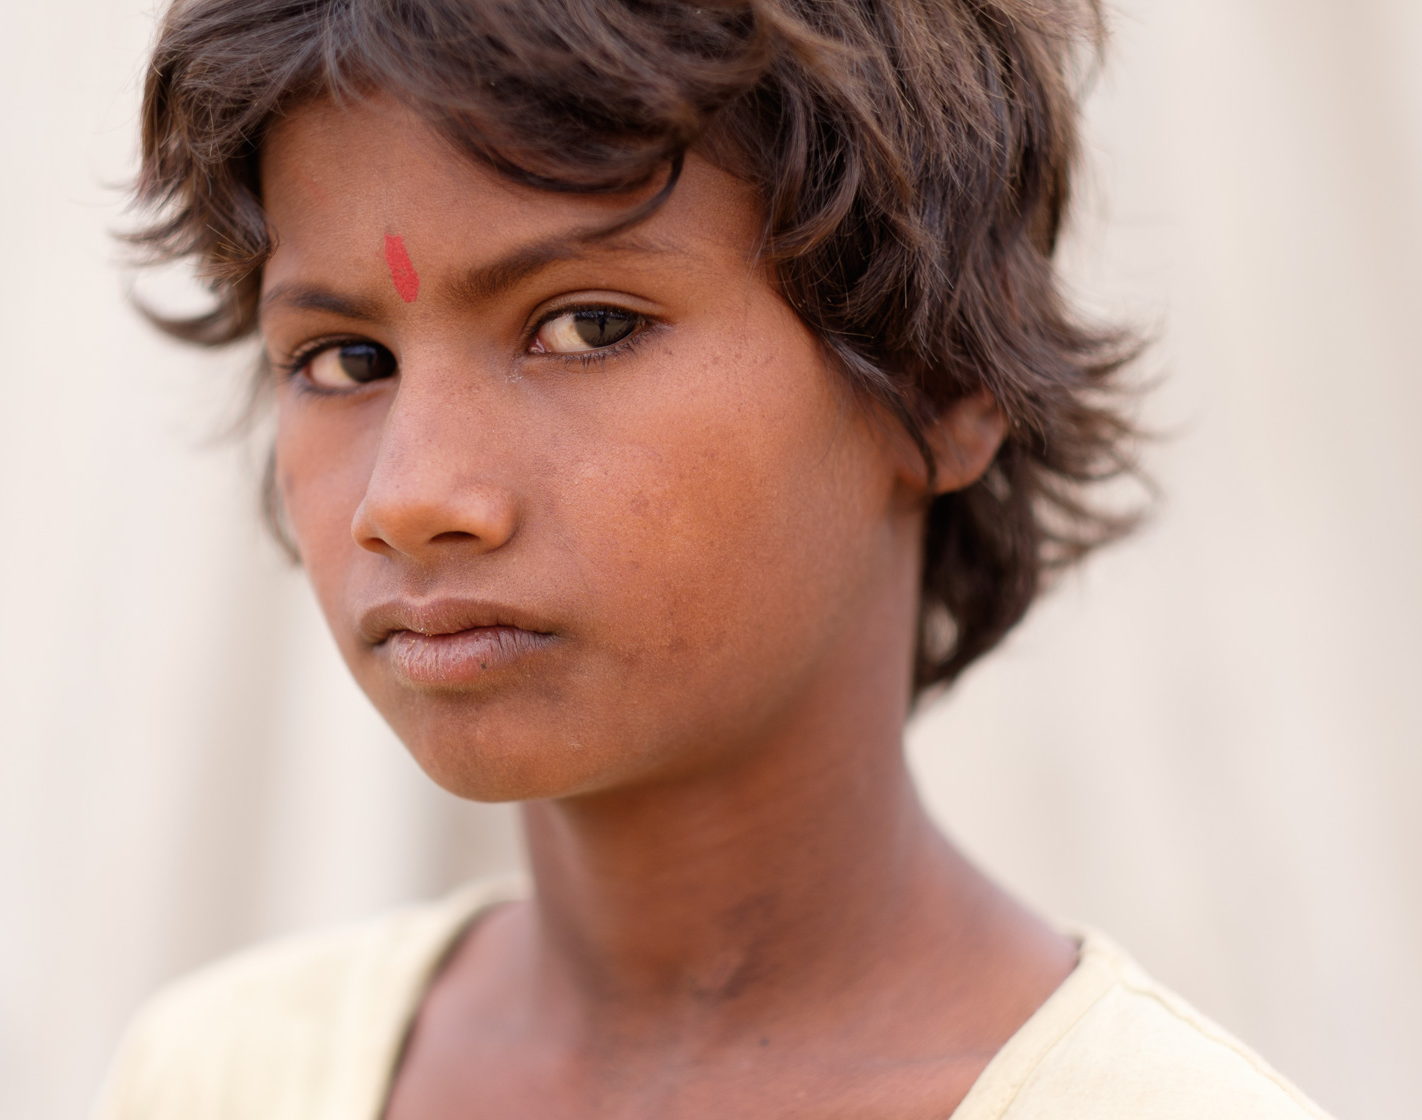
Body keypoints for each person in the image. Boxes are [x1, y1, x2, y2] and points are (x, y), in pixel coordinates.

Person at [93, 1, 1329, 1116]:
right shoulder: (217, 1076)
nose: (410, 499)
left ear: (941, 377)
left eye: (587, 326)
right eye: (344, 360)